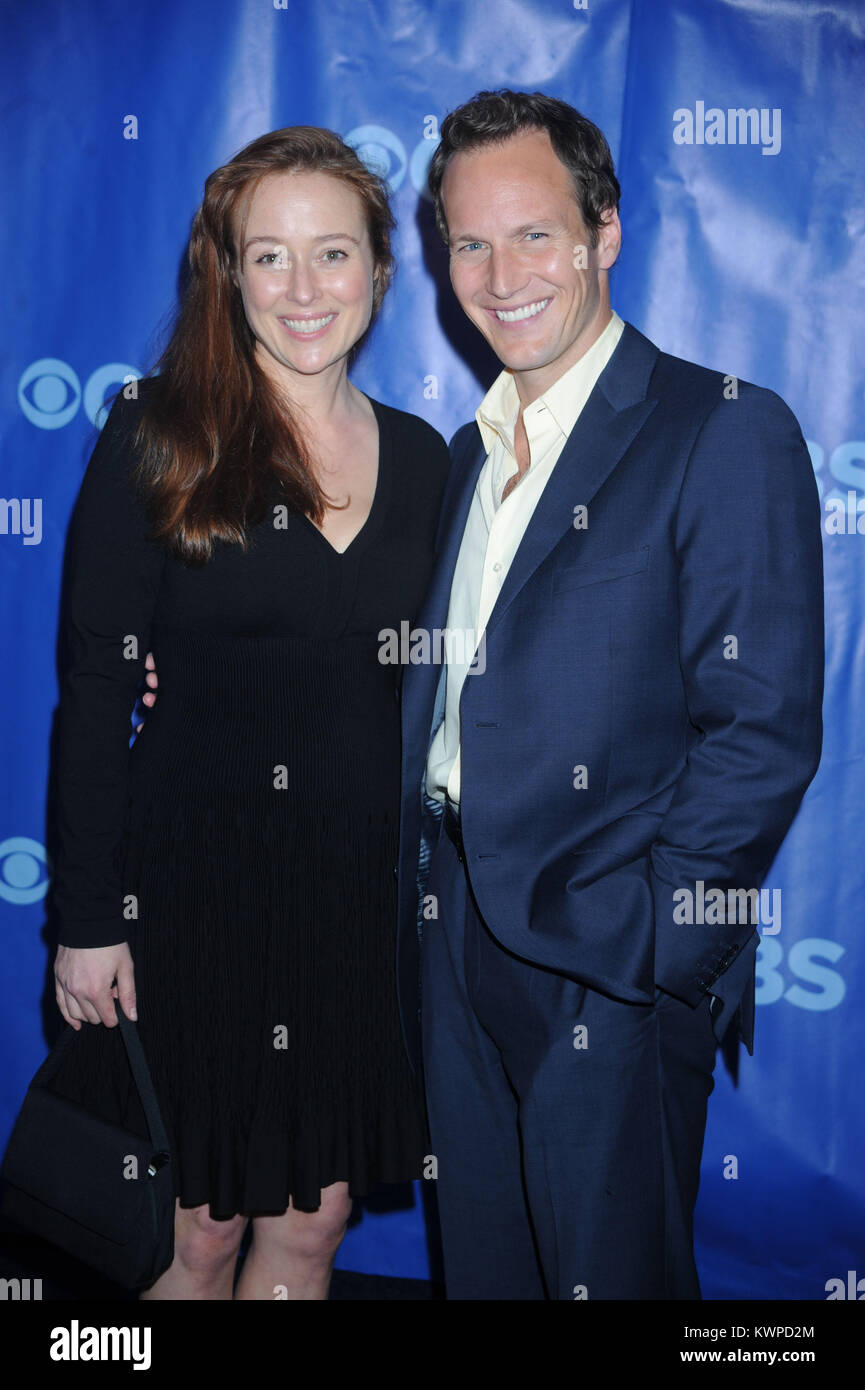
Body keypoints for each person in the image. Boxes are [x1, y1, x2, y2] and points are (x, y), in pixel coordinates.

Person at [395, 89, 824, 1299]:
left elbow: (762, 730)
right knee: (487, 1276)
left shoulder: (721, 427)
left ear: (604, 232)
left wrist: (646, 939)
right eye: (468, 242)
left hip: (609, 965)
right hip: (453, 944)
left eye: (534, 233)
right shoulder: (468, 456)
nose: (499, 272)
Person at [50, 125, 449, 1300]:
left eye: (333, 253)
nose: (303, 288)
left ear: (381, 269)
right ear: (224, 273)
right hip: (189, 895)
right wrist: (86, 920)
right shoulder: (157, 432)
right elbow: (96, 692)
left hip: (354, 904)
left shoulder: (431, 463)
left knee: (313, 1226)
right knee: (199, 1232)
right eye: (267, 256)